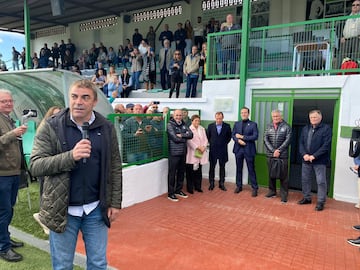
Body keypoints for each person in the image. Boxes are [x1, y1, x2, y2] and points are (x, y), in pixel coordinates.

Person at [29, 79, 122, 269]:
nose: (78, 102)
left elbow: (114, 166)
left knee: (98, 263)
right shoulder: (52, 126)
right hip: (62, 209)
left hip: (96, 209)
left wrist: (114, 202)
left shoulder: (106, 127)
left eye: (85, 97)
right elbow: (35, 165)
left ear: (94, 101)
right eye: (74, 96)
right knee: (62, 265)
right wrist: (70, 156)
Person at [0, 89, 27, 262]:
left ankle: (5, 238)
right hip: (2, 174)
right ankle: (3, 247)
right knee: (4, 211)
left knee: (8, 209)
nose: (8, 104)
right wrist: (13, 134)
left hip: (13, 172)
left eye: (10, 101)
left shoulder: (7, 118)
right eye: (4, 101)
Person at [32, 106, 62, 235]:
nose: (57, 117)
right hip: (46, 166)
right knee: (45, 192)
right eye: (54, 115)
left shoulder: (62, 129)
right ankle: (43, 218)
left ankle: (45, 218)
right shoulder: (44, 130)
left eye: (60, 114)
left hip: (56, 166)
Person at [298, 109, 332, 211]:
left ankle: (321, 202)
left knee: (321, 181)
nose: (313, 119)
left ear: (320, 117)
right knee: (305, 180)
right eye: (311, 117)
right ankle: (307, 198)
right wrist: (304, 154)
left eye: (315, 117)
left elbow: (326, 145)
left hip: (319, 160)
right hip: (306, 159)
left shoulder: (326, 128)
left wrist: (314, 156)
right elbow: (301, 143)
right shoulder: (305, 128)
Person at [263, 109, 292, 203]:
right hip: (270, 155)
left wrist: (278, 150)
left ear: (281, 117)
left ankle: (284, 195)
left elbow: (288, 140)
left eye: (277, 116)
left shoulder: (287, 127)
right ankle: (272, 191)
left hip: (282, 156)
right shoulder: (268, 126)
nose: (275, 118)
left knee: (283, 176)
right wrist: (273, 150)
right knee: (271, 174)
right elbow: (265, 139)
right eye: (274, 116)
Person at [167, 109, 193, 202]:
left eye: (180, 115)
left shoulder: (184, 124)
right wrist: (184, 137)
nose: (178, 117)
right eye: (177, 115)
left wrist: (181, 135)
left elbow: (191, 134)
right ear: (173, 115)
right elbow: (174, 138)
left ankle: (178, 190)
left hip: (183, 152)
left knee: (181, 172)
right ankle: (171, 193)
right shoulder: (170, 125)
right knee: (172, 173)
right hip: (174, 153)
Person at [232, 107, 259, 196]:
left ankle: (254, 188)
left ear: (248, 113)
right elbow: (234, 135)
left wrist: (243, 137)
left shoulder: (253, 124)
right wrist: (238, 140)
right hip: (238, 149)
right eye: (242, 112)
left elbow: (255, 136)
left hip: (249, 149)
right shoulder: (237, 124)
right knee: (238, 168)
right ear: (240, 114)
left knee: (251, 169)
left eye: (245, 112)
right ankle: (239, 186)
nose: (243, 114)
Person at [206, 112, 232, 191]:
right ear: (215, 118)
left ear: (223, 118)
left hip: (223, 150)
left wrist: (223, 143)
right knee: (212, 167)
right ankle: (211, 183)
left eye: (220, 118)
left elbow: (229, 137)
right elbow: (208, 137)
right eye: (217, 118)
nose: (218, 120)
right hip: (213, 150)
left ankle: (221, 183)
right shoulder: (210, 126)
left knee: (222, 167)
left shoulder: (227, 126)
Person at [185, 115, 208, 194]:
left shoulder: (202, 129)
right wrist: (197, 147)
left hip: (200, 152)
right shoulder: (189, 129)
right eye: (195, 121)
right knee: (190, 171)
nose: (197, 122)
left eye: (198, 121)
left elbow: (205, 139)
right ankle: (190, 188)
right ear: (192, 121)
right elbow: (189, 141)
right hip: (192, 152)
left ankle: (198, 186)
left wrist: (204, 147)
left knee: (198, 171)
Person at [338, 0, 360, 68]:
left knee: (355, 58)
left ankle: (355, 72)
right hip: (346, 40)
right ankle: (340, 72)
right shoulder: (347, 16)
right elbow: (338, 26)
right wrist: (341, 37)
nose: (355, 6)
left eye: (357, 5)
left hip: (357, 40)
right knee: (342, 58)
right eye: (353, 5)